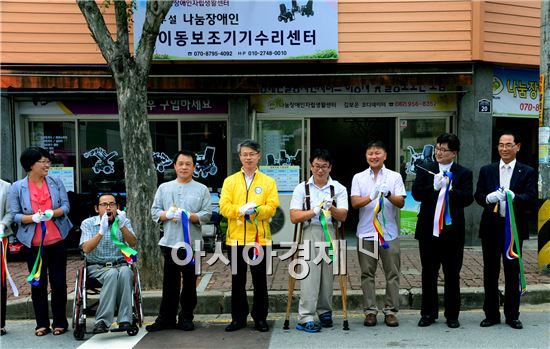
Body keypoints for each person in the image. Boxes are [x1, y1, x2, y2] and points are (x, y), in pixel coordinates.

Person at [8, 146, 73, 336]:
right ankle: (41, 323)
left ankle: (60, 321)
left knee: (59, 281)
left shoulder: (55, 182)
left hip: (57, 239)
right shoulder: (17, 187)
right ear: (30, 165)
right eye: (43, 162)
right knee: (37, 282)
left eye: (47, 161)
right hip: (33, 243)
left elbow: (66, 206)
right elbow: (15, 215)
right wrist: (32, 219)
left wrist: (54, 213)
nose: (47, 165)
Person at [474, 131, 536, 330]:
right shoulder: (487, 170)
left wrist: (515, 197)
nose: (504, 148)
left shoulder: (526, 171)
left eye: (508, 145)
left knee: (512, 273)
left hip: (514, 229)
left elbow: (531, 198)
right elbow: (478, 195)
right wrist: (488, 198)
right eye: (501, 145)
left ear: (517, 147)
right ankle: (491, 314)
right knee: (490, 272)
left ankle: (512, 315)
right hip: (492, 228)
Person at [411, 133, 473, 329]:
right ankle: (428, 313)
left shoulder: (463, 173)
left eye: (443, 150)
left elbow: (467, 198)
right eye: (437, 148)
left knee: (452, 273)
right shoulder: (425, 169)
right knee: (428, 272)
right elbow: (417, 193)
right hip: (429, 230)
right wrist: (434, 187)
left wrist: (450, 190)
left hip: (452, 232)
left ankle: (452, 314)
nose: (438, 152)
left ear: (453, 153)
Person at [146, 150, 212, 332]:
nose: (184, 167)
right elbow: (154, 212)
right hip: (171, 242)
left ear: (194, 167)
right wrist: (167, 214)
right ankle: (166, 318)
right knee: (170, 283)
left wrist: (190, 216)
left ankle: (186, 317)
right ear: (174, 166)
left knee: (190, 282)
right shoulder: (164, 188)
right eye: (180, 163)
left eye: (188, 164)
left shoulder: (202, 189)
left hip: (193, 243)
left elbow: (207, 214)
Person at [219, 139, 279, 332]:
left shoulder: (268, 182)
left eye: (252, 154)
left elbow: (272, 207)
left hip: (259, 240)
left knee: (260, 280)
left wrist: (256, 211)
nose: (248, 158)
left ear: (258, 156)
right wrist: (240, 211)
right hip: (235, 240)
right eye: (245, 154)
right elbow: (224, 207)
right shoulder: (230, 181)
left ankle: (260, 318)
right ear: (240, 157)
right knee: (238, 281)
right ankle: (238, 318)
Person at [289, 149, 348, 333]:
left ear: (330, 167)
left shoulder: (338, 188)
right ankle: (306, 316)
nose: (320, 170)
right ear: (310, 166)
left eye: (324, 166)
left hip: (330, 231)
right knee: (309, 273)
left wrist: (332, 208)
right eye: (316, 166)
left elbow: (344, 216)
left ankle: (324, 311)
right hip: (310, 230)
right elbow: (293, 216)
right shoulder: (302, 188)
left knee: (327, 274)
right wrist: (313, 211)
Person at [351, 141, 406, 327]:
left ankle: (391, 311)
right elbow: (355, 203)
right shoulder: (358, 177)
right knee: (367, 274)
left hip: (389, 234)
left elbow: (401, 203)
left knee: (392, 274)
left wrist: (388, 194)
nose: (374, 156)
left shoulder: (395, 176)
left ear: (385, 156)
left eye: (377, 153)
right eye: (370, 153)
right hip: (366, 233)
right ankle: (370, 311)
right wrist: (371, 196)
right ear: (366, 156)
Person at [80, 193, 137, 334]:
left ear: (117, 207)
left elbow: (133, 243)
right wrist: (101, 231)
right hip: (97, 266)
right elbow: (86, 248)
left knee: (125, 272)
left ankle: (125, 320)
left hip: (120, 264)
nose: (108, 207)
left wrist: (123, 226)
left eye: (112, 204)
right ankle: (102, 321)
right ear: (96, 208)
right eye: (104, 205)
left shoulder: (123, 221)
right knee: (111, 273)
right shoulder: (88, 223)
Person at [1, 179, 13, 336]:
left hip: (0, 238)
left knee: (0, 281)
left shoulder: (5, 186)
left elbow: (10, 211)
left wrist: (2, 224)